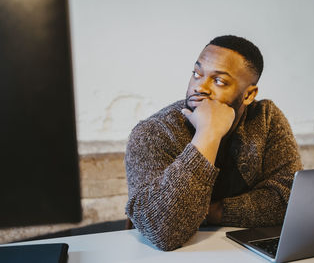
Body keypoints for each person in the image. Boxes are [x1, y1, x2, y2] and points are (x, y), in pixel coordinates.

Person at [125, 35, 303, 251]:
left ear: (249, 95)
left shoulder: (266, 118)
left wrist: (210, 212)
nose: (201, 87)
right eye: (197, 74)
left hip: (239, 251)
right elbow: (163, 231)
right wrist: (208, 133)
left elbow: (290, 202)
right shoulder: (153, 132)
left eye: (219, 81)